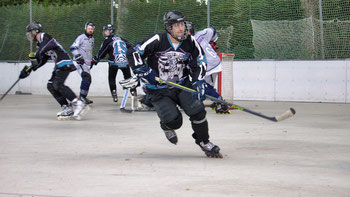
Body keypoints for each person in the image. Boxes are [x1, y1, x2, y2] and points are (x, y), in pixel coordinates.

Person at [126, 11, 223, 158]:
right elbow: (133, 52)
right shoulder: (157, 39)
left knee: (198, 111)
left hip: (182, 85)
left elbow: (199, 61)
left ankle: (204, 141)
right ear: (169, 28)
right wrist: (143, 70)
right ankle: (166, 125)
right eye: (177, 25)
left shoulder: (190, 42)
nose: (181, 28)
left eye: (182, 24)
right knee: (174, 121)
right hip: (158, 90)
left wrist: (199, 81)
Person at [21, 22, 87, 120]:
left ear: (35, 31)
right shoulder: (40, 45)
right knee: (51, 85)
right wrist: (29, 69)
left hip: (64, 62)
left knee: (58, 84)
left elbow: (47, 46)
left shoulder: (45, 37)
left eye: (30, 33)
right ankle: (66, 108)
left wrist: (36, 54)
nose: (30, 36)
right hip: (58, 65)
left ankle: (79, 103)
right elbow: (42, 60)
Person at [188, 23, 231, 114]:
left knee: (205, 87)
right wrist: (213, 41)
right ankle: (216, 100)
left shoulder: (189, 43)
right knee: (208, 86)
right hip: (212, 62)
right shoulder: (201, 34)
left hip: (209, 65)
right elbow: (213, 30)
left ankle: (221, 103)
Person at [94, 24, 136, 103]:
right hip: (125, 62)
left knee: (111, 78)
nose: (105, 32)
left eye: (106, 30)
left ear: (111, 31)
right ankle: (133, 92)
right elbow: (131, 48)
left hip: (114, 63)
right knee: (128, 78)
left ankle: (114, 94)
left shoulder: (107, 40)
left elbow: (102, 52)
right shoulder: (122, 39)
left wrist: (96, 59)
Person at [70, 22, 95, 104]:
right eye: (89, 28)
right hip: (79, 63)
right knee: (86, 78)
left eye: (92, 29)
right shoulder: (81, 37)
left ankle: (82, 97)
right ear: (85, 28)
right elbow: (73, 47)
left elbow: (89, 51)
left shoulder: (92, 39)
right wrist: (78, 56)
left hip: (87, 64)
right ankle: (82, 98)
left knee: (87, 80)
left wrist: (91, 61)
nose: (90, 30)